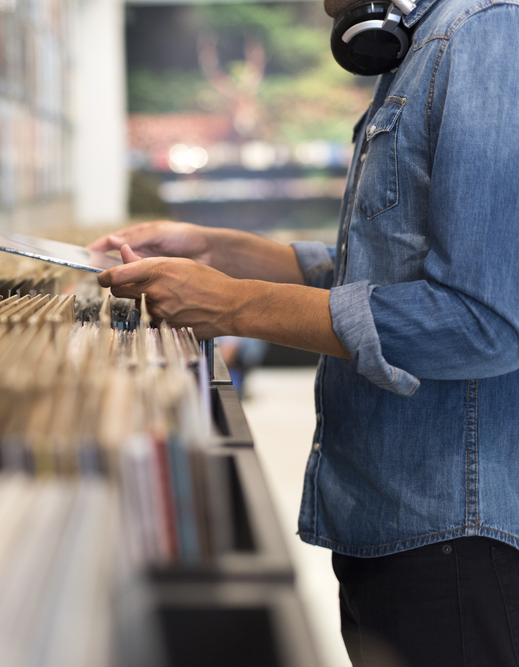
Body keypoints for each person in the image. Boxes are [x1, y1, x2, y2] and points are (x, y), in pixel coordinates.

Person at [90, 0, 519, 662]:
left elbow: (482, 321)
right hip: (395, 517)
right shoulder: (418, 47)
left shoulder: (483, 31)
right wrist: (220, 250)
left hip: (453, 537)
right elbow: (379, 269)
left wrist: (236, 305)